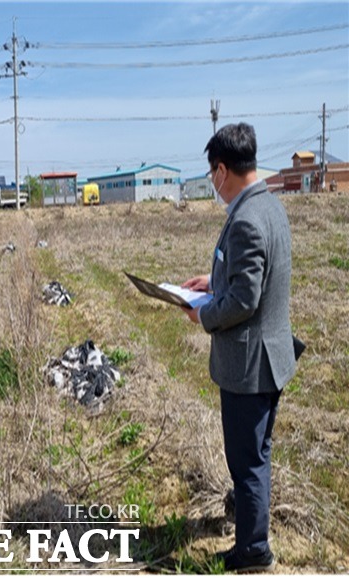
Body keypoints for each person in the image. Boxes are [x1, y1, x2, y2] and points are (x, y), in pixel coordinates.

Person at [181, 123, 296, 572]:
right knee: (257, 456)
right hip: (272, 358)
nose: (213, 183)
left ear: (223, 170)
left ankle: (253, 551)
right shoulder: (269, 207)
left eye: (212, 174)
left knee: (246, 461)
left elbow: (246, 301)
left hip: (250, 366)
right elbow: (258, 277)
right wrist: (215, 282)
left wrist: (203, 313)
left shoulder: (246, 218)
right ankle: (251, 526)